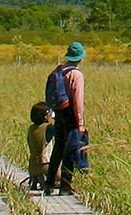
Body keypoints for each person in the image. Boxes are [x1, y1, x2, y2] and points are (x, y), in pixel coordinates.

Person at [43, 42, 86, 195]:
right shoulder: (76, 75)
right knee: (70, 149)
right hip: (70, 114)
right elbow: (78, 101)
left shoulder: (59, 70)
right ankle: (65, 187)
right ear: (81, 58)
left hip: (59, 113)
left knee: (58, 148)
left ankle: (49, 183)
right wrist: (80, 123)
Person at [25, 103, 52, 191]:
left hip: (32, 166)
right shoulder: (48, 128)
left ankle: (35, 179)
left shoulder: (31, 128)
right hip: (45, 165)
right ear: (45, 116)